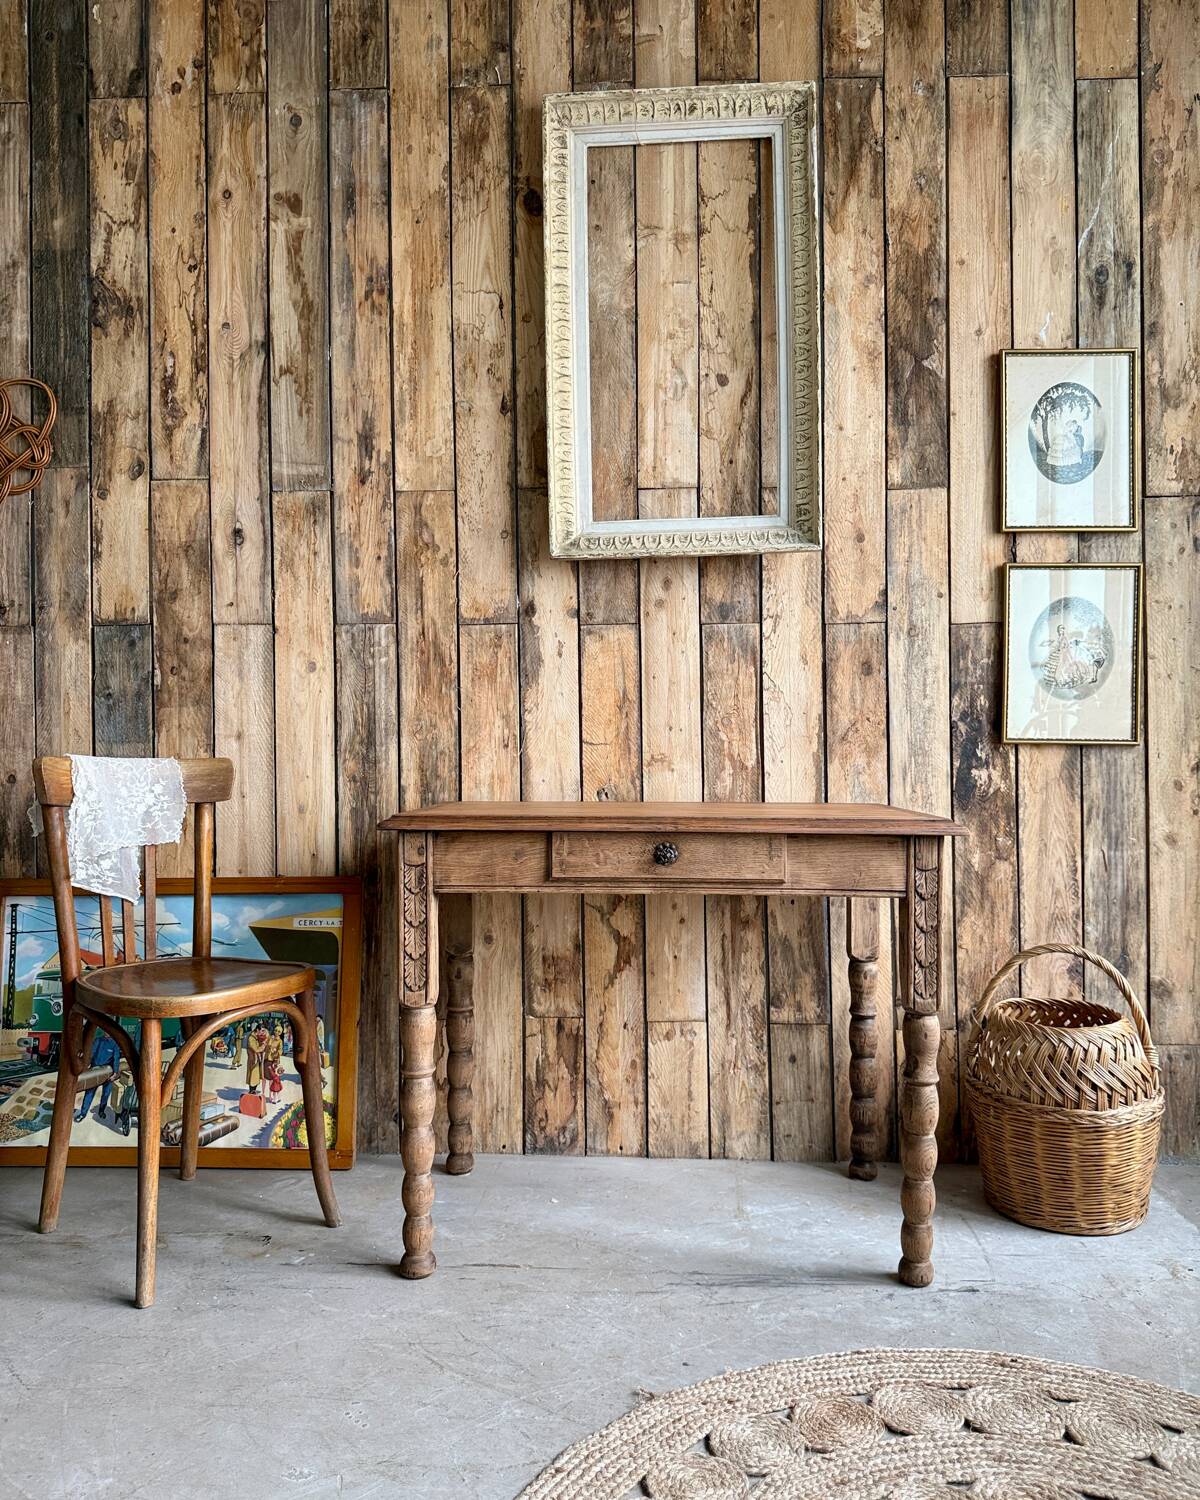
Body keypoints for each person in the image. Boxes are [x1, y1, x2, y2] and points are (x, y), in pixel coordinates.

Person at [74, 1030, 124, 1123]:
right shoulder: (98, 1041)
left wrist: (115, 1073)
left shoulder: (114, 1044)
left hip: (108, 1073)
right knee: (89, 1094)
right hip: (95, 1072)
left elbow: (116, 1059)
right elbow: (91, 1054)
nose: (106, 1032)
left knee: (106, 1094)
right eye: (105, 1030)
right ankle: (83, 1113)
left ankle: (101, 1111)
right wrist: (86, 1064)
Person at [245, 1023, 268, 1094]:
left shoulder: (256, 1036)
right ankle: (252, 1091)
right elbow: (256, 1049)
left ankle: (253, 1090)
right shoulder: (251, 1038)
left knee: (256, 1076)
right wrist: (263, 1045)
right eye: (262, 1030)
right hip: (253, 1060)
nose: (263, 1032)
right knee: (253, 1076)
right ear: (257, 1030)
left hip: (256, 1059)